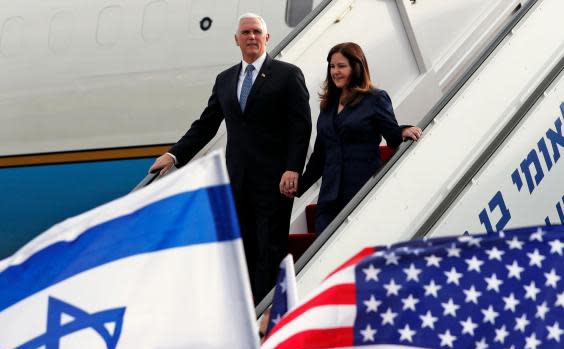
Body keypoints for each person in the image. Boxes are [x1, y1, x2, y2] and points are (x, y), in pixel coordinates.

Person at [149, 13, 312, 303]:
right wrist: (174, 155)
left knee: (270, 247)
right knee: (244, 249)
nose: (251, 37)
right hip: (238, 181)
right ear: (236, 40)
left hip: (275, 181)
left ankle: (268, 312)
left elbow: (300, 126)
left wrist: (292, 169)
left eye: (257, 32)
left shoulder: (288, 75)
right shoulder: (225, 80)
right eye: (246, 32)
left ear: (267, 38)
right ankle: (249, 310)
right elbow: (206, 125)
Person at [284, 42, 421, 235]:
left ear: (356, 68)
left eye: (341, 66)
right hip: (329, 199)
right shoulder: (327, 107)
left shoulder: (375, 99)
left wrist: (403, 130)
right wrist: (300, 186)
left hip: (361, 193)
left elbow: (391, 134)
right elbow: (320, 155)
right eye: (332, 66)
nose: (335, 71)